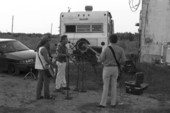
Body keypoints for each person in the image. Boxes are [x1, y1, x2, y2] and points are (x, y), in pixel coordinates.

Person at [96, 34, 126, 108]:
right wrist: (119, 64)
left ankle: (103, 103)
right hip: (115, 69)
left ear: (109, 40)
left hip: (107, 68)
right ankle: (113, 103)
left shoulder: (106, 49)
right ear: (117, 40)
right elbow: (124, 60)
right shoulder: (120, 49)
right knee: (114, 86)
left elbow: (101, 59)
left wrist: (98, 58)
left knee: (105, 86)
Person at [35, 34, 56, 100]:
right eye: (49, 41)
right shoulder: (44, 49)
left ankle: (38, 96)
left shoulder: (39, 48)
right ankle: (47, 96)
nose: (50, 43)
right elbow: (47, 59)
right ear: (46, 42)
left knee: (40, 82)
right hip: (44, 68)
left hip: (39, 67)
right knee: (46, 83)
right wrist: (53, 64)